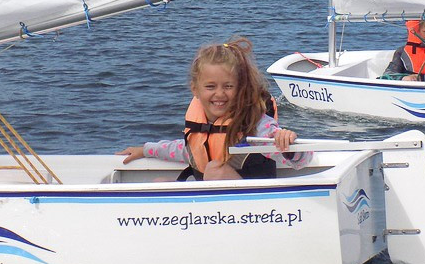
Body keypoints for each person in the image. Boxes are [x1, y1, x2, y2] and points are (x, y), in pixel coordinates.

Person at [117, 36, 311, 180]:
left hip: (251, 207)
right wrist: (145, 150)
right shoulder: (199, 125)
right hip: (210, 209)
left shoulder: (258, 125)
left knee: (214, 169)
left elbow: (302, 160)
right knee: (159, 183)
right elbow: (185, 150)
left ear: (241, 88)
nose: (219, 94)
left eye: (228, 86)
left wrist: (287, 144)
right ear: (196, 89)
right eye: (210, 87)